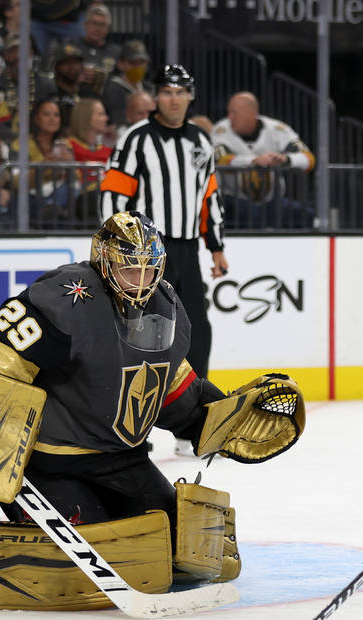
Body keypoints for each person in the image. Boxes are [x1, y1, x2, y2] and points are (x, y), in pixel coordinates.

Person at [0, 211, 305, 612]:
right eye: (129, 269)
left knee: (177, 540)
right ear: (104, 263)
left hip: (122, 458)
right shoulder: (70, 297)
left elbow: (170, 389)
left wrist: (218, 418)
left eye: (148, 268)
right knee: (96, 547)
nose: (141, 281)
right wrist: (1, 436)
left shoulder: (167, 306)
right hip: (51, 462)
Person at [100, 64, 227, 455]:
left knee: (197, 334)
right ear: (156, 96)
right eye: (167, 91)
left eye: (180, 91)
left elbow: (210, 197)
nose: (173, 98)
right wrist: (113, 244)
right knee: (135, 336)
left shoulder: (201, 141)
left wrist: (217, 246)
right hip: (145, 252)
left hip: (187, 250)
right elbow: (113, 192)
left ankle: (191, 428)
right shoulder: (136, 139)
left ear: (191, 97)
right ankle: (127, 429)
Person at [211, 90, 315, 229]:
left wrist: (285, 159)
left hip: (272, 201)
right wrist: (253, 161)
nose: (230, 117)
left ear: (251, 113)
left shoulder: (277, 130)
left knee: (306, 215)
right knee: (252, 214)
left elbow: (309, 159)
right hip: (233, 199)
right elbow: (221, 159)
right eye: (229, 112)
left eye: (234, 112)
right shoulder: (221, 130)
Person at [44, 2, 116, 96]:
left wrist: (101, 78)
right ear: (85, 25)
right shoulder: (71, 46)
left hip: (106, 98)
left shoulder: (115, 51)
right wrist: (76, 74)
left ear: (108, 29)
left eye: (102, 25)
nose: (97, 28)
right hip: (74, 95)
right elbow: (57, 72)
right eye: (94, 23)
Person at [101, 39, 150, 129]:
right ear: (120, 64)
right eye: (132, 63)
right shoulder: (112, 90)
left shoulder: (149, 88)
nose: (137, 67)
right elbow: (119, 123)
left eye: (141, 62)